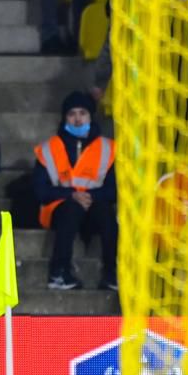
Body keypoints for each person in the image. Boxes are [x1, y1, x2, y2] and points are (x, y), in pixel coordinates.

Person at [33, 91, 117, 290]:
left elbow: (114, 190)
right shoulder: (48, 148)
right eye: (72, 114)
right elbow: (40, 190)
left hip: (94, 206)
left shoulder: (108, 148)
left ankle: (112, 273)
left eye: (82, 113)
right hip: (60, 209)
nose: (78, 119)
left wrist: (89, 196)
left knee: (107, 215)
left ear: (90, 116)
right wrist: (71, 195)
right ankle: (59, 272)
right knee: (70, 210)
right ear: (64, 118)